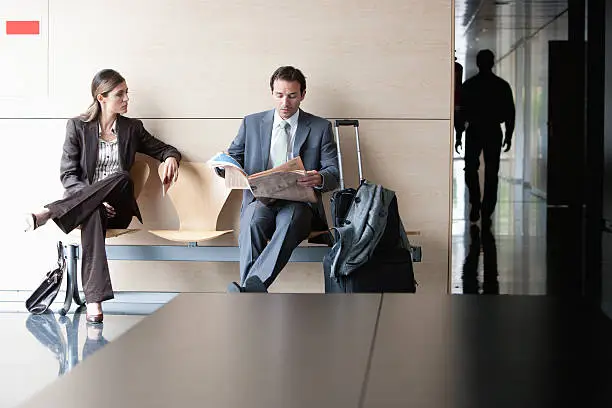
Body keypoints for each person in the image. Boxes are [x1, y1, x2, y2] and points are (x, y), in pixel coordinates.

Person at [24, 69, 181, 323]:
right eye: (120, 94)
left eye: (127, 93)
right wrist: (96, 200)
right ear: (102, 97)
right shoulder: (77, 127)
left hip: (118, 208)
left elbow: (164, 149)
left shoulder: (132, 128)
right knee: (93, 212)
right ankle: (94, 300)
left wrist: (171, 158)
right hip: (88, 209)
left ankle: (51, 211)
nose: (127, 99)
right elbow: (68, 175)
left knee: (122, 177)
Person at [221, 66, 339, 292]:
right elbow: (233, 158)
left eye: (292, 96)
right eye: (280, 95)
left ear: (303, 95)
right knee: (253, 222)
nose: (285, 102)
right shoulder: (251, 123)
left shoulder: (320, 127)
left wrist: (319, 178)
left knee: (289, 222)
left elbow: (333, 173)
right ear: (272, 93)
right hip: (261, 199)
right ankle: (252, 291)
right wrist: (223, 167)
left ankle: (247, 292)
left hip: (299, 204)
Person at [455, 49, 515, 225]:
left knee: (470, 168)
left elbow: (461, 112)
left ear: (477, 63)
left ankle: (475, 202)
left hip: (474, 131)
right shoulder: (501, 86)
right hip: (493, 131)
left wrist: (459, 134)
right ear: (493, 63)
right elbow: (510, 113)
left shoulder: (469, 85)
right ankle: (487, 209)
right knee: (492, 172)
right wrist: (509, 135)